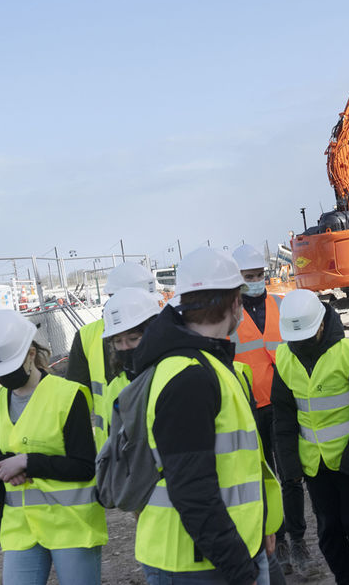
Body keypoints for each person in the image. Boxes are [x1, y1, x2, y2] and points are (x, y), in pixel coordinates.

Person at [128, 246, 283, 584]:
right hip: (199, 564)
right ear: (234, 302)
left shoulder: (206, 363)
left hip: (229, 548)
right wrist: (241, 570)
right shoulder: (190, 376)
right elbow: (193, 490)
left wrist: (261, 526)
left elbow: (241, 464)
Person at [0, 310, 107, 585]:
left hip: (71, 526)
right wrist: (1, 466)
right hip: (20, 529)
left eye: (8, 368)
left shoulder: (68, 396)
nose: (3, 378)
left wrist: (26, 463)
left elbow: (84, 466)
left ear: (31, 355)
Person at [272, 289, 349, 585]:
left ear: (322, 324)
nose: (300, 344)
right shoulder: (284, 357)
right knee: (329, 530)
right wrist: (290, 468)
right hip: (315, 465)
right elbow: (283, 419)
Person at [231, 243, 313, 577]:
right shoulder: (230, 315)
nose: (255, 281)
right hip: (249, 410)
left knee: (291, 476)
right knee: (263, 479)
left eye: (257, 275)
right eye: (248, 277)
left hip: (283, 406)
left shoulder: (280, 304)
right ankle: (275, 538)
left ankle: (298, 538)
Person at [65, 262, 158, 450]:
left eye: (132, 338)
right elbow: (74, 405)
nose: (124, 347)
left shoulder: (87, 335)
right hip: (115, 455)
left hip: (120, 453)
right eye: (118, 341)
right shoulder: (87, 337)